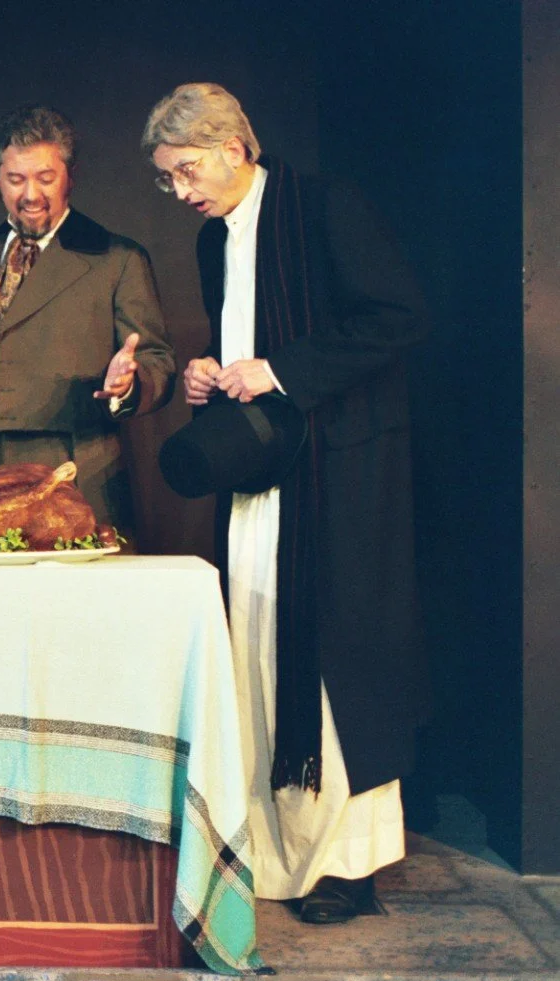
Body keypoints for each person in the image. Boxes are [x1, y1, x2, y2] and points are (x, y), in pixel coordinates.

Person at [143, 82, 430, 923]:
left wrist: (277, 373)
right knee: (259, 654)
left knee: (340, 659)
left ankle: (349, 861)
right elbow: (243, 344)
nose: (179, 189)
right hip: (263, 475)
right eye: (165, 178)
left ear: (236, 147)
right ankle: (269, 851)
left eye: (186, 169)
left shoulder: (326, 207)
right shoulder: (211, 241)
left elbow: (399, 317)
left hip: (339, 474)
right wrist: (208, 375)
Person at [0, 104, 175, 536]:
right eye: (16, 179)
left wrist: (128, 385)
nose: (31, 195)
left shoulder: (117, 259)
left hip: (74, 473)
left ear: (70, 177)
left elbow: (157, 361)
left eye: (45, 177)